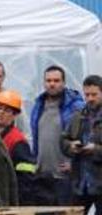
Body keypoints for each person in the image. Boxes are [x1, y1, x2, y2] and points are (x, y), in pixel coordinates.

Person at [63, 75, 102, 215]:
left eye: (94, 94)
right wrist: (71, 146)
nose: (90, 98)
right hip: (81, 181)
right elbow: (64, 139)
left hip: (99, 180)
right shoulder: (79, 116)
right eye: (87, 94)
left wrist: (94, 149)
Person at [30, 65, 85, 206]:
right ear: (44, 83)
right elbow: (36, 137)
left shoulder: (76, 107)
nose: (52, 84)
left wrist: (75, 164)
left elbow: (85, 137)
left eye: (56, 80)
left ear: (64, 83)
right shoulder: (38, 105)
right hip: (42, 176)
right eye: (48, 80)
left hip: (64, 177)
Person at [0, 90, 49, 206]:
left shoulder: (17, 141)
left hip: (9, 197)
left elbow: (26, 177)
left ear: (15, 115)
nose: (1, 113)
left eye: (7, 110)